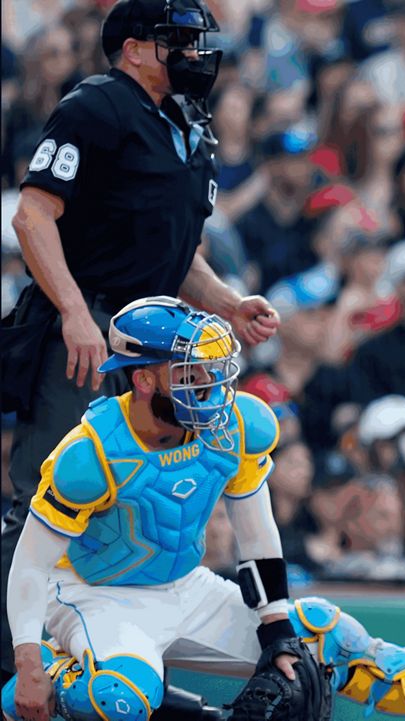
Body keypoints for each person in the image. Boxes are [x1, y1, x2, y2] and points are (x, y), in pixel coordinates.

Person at [1, 297, 405, 721]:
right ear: (145, 380)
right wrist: (27, 658)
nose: (213, 385)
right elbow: (28, 566)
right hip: (93, 594)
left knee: (321, 635)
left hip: (183, 585)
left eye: (214, 369)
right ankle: (55, 672)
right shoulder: (90, 453)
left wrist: (276, 631)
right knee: (121, 699)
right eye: (191, 374)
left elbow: (257, 533)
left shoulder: (238, 423)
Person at [0, 0, 281, 686]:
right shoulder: (97, 107)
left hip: (161, 341)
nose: (195, 52)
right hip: (92, 328)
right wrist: (73, 311)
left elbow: (175, 248)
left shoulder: (188, 122)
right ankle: (18, 666)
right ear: (132, 48)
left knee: (125, 496)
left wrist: (225, 301)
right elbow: (33, 214)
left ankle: (105, 647)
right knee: (45, 495)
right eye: (176, 40)